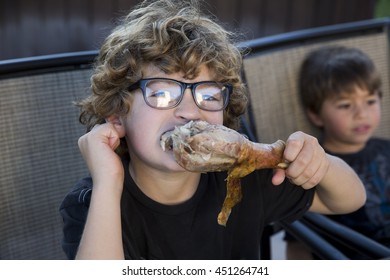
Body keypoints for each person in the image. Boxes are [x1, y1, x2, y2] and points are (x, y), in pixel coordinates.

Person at [59, 0, 365, 260]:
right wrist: (108, 182)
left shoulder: (247, 178)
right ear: (116, 115)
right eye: (162, 94)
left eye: (208, 96)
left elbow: (350, 199)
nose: (191, 112)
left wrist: (319, 163)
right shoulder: (94, 200)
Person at [286, 45, 390, 259]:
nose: (362, 114)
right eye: (345, 105)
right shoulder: (312, 165)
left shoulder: (386, 149)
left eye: (370, 101)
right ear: (315, 115)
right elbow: (299, 241)